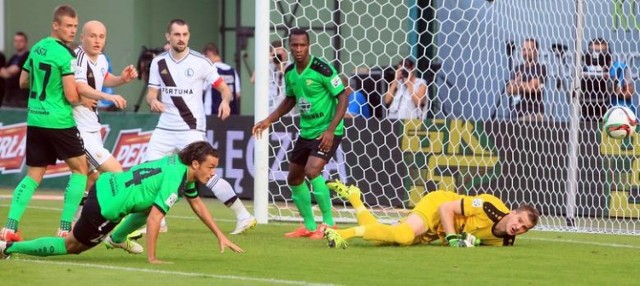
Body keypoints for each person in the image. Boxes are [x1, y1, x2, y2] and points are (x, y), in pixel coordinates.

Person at [0, 141, 244, 263]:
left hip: (106, 184)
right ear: (195, 164)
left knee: (149, 203)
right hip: (106, 208)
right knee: (72, 246)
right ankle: (8, 248)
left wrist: (219, 235)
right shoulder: (175, 179)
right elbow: (155, 218)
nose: (213, 172)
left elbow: (197, 205)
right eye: (210, 167)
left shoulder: (178, 167)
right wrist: (152, 258)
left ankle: (116, 238)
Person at [139, 19, 256, 236]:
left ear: (189, 36)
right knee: (149, 173)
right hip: (164, 128)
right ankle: (159, 221)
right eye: (176, 34)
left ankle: (243, 216)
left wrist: (225, 101)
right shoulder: (158, 63)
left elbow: (224, 89)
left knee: (206, 174)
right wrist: (152, 101)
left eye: (184, 34)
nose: (181, 38)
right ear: (168, 37)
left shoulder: (201, 62)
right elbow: (151, 93)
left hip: (190, 129)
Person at [0, 5, 88, 242]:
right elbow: (71, 96)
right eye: (68, 26)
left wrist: (44, 88)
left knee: (33, 175)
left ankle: (9, 227)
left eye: (75, 26)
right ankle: (64, 228)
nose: (72, 31)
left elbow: (23, 82)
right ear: (55, 25)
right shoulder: (65, 55)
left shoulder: (37, 48)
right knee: (80, 169)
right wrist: (89, 100)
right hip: (58, 120)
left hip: (36, 118)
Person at [252, 28, 349, 239]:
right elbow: (290, 99)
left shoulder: (322, 69)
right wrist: (269, 120)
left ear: (309, 46)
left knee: (312, 171)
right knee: (294, 178)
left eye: (302, 45)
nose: (298, 49)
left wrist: (331, 130)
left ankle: (330, 224)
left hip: (327, 131)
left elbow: (343, 97)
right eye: (294, 45)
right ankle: (310, 226)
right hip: (307, 132)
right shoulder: (289, 72)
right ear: (289, 46)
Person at [323, 180, 540, 249]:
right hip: (438, 206)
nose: (518, 227)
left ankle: (355, 199)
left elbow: (478, 239)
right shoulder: (487, 205)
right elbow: (446, 209)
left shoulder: (506, 241)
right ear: (512, 212)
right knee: (405, 235)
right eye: (519, 220)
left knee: (388, 239)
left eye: (524, 228)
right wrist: (454, 237)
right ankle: (342, 233)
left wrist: (473, 239)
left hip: (440, 231)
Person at [72, 21, 135, 194]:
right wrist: (108, 96)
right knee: (117, 172)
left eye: (101, 36)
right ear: (82, 37)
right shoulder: (77, 58)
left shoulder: (101, 59)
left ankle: (75, 220)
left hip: (93, 126)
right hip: (79, 129)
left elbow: (104, 77)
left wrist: (122, 79)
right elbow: (80, 87)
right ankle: (142, 219)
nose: (97, 40)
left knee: (91, 180)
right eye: (92, 36)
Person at [506, 38, 547, 121]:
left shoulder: (540, 68)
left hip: (534, 115)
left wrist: (518, 84)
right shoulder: (518, 69)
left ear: (536, 52)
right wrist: (523, 85)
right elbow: (510, 89)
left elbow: (532, 87)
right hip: (518, 115)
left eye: (529, 49)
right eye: (524, 49)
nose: (525, 53)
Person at [202, 42, 241, 115]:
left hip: (211, 113)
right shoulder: (232, 71)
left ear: (209, 53)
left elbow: (201, 90)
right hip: (230, 114)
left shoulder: (210, 70)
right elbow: (238, 94)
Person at [0, 32, 30, 108]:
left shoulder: (28, 56)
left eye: (20, 41)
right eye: (16, 41)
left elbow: (11, 72)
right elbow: (3, 73)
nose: (18, 43)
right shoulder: (13, 58)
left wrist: (7, 71)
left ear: (26, 43)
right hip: (9, 96)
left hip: (21, 97)